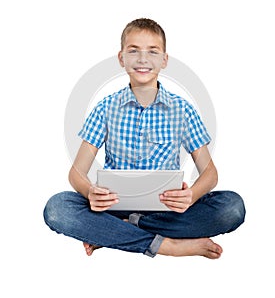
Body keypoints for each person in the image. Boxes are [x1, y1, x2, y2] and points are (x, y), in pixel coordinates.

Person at [43, 18, 245, 259]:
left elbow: (210, 174)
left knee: (232, 207)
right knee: (57, 209)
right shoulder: (106, 108)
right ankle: (166, 245)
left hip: (168, 213)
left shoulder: (182, 110)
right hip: (113, 210)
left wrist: (191, 195)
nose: (142, 59)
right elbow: (76, 173)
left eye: (152, 51)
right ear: (122, 58)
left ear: (164, 60)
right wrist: (90, 193)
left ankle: (115, 234)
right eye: (133, 51)